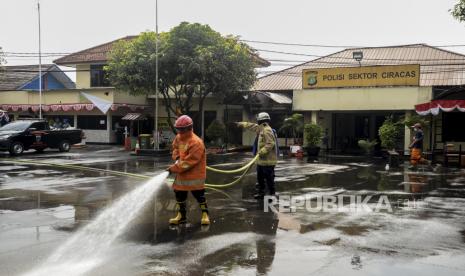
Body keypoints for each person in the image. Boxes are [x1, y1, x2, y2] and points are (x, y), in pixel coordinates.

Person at [167, 115, 210, 225]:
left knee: (199, 195)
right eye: (178, 129)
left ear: (189, 128)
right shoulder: (179, 137)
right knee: (179, 194)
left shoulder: (196, 142)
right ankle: (182, 216)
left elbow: (189, 161)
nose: (180, 131)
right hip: (182, 173)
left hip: (195, 175)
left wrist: (174, 168)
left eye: (182, 129)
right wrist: (176, 158)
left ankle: (205, 215)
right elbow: (175, 148)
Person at [237, 112, 278, 200]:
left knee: (269, 179)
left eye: (258, 120)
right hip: (261, 161)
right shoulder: (261, 128)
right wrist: (242, 124)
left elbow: (270, 143)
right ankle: (261, 193)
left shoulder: (267, 130)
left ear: (261, 120)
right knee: (260, 178)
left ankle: (272, 194)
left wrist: (261, 152)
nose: (257, 122)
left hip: (268, 161)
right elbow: (253, 126)